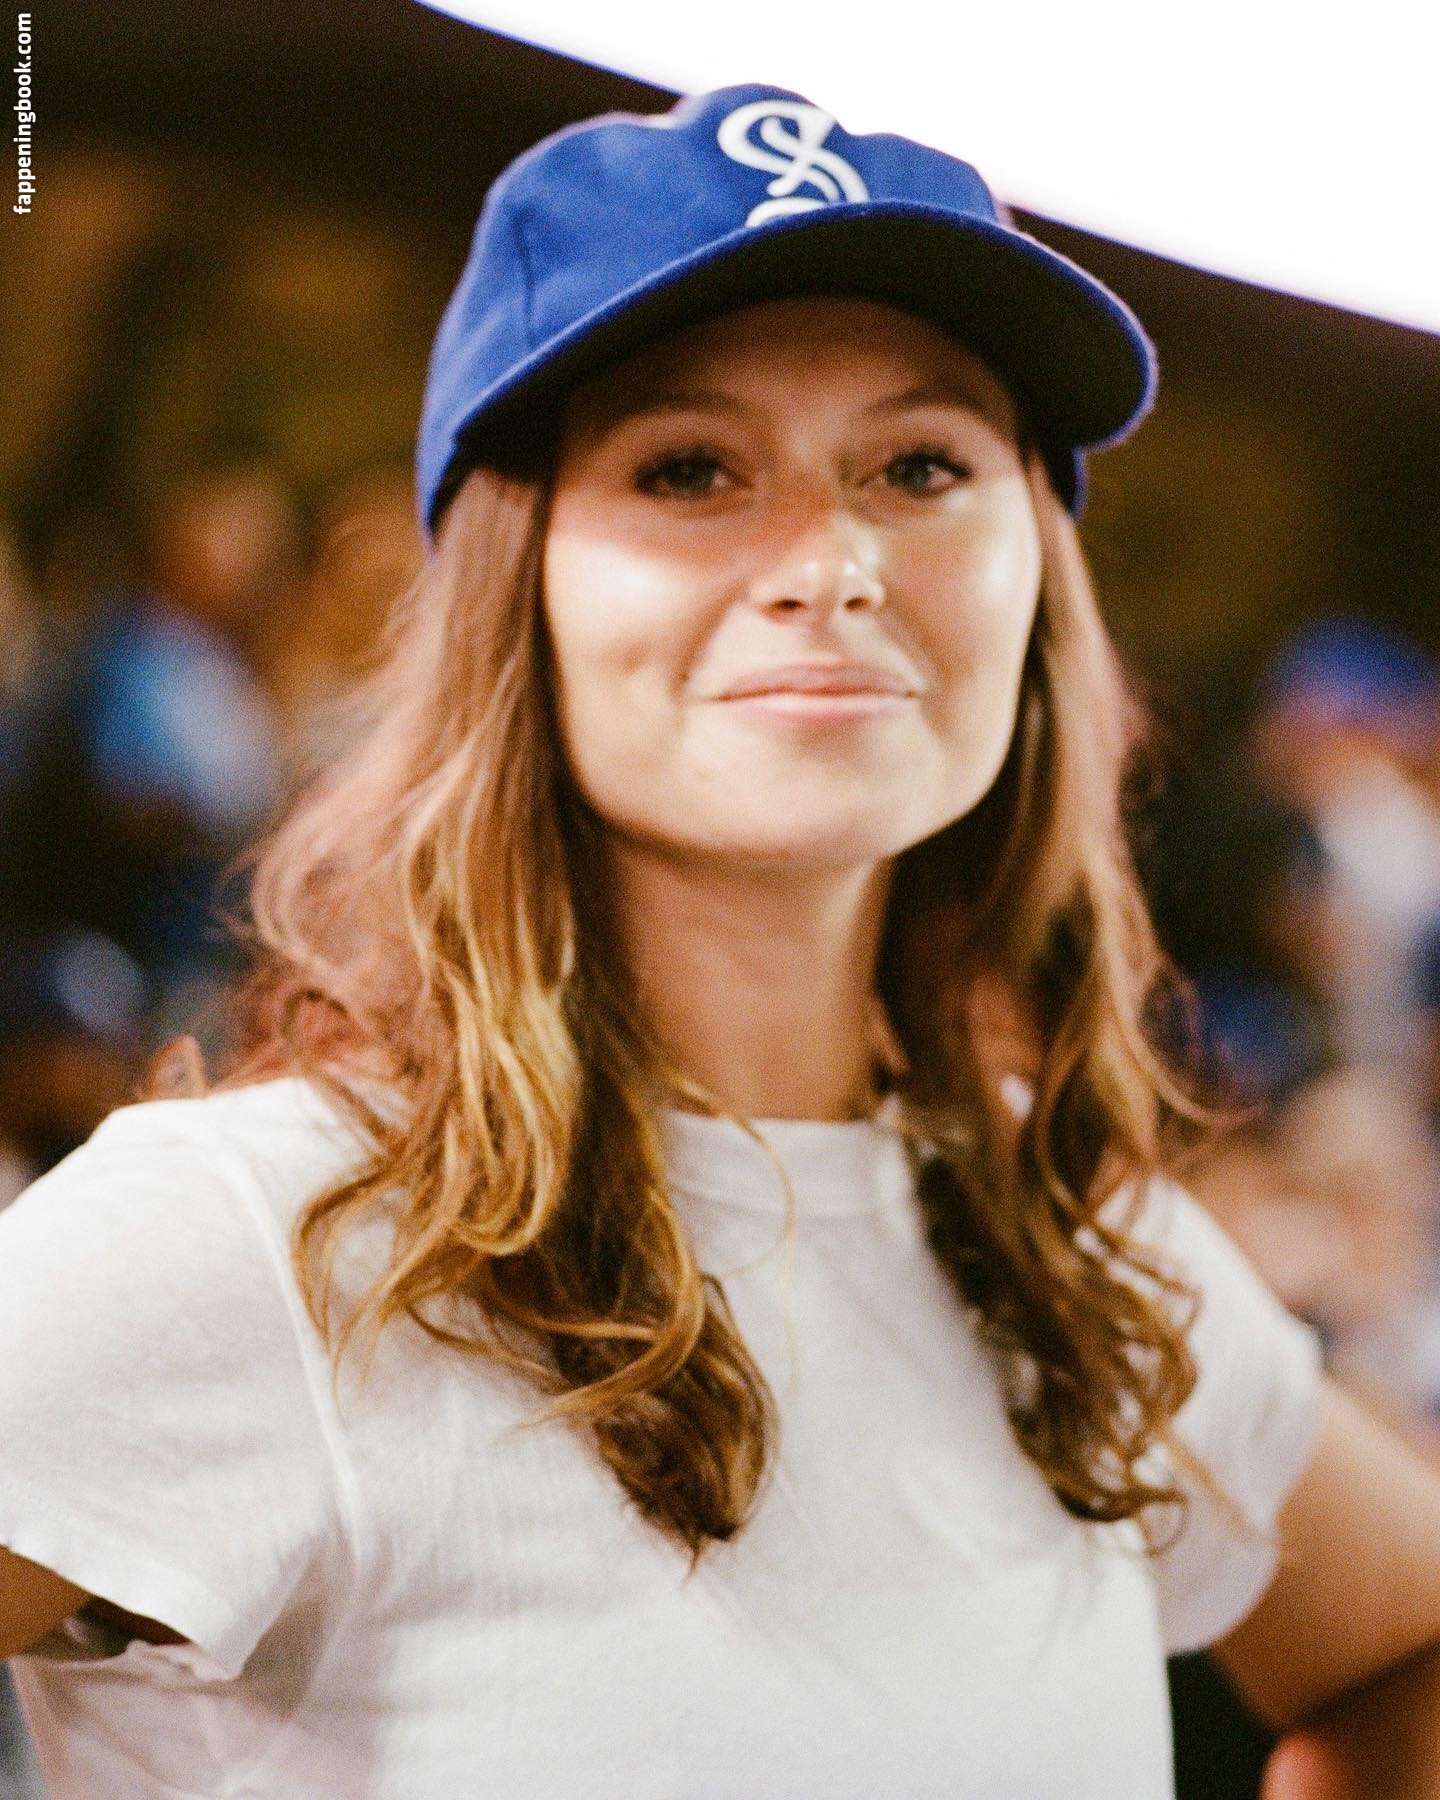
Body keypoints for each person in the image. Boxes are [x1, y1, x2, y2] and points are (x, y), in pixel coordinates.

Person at [1, 81, 1439, 1800]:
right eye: (689, 469)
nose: (831, 562)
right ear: (519, 589)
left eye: (921, 465)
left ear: (1038, 580)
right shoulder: (265, 1241)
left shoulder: (1083, 1266)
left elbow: (1403, 1651)